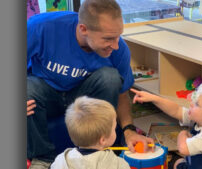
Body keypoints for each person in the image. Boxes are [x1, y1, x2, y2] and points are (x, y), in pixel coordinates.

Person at [27, 0, 153, 167]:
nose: (115, 45)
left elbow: (122, 93)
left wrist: (129, 130)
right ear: (83, 29)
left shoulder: (119, 49)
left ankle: (102, 149)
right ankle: (42, 159)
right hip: (44, 92)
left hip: (81, 99)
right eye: (108, 38)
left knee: (110, 78)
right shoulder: (40, 27)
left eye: (118, 36)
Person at [130, 82, 202, 169]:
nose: (191, 104)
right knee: (175, 162)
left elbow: (183, 148)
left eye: (196, 104)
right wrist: (153, 98)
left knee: (173, 161)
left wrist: (182, 134)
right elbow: (176, 110)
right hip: (194, 165)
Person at [50, 96, 130, 169]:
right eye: (114, 128)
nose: (115, 130)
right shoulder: (118, 164)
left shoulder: (60, 161)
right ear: (103, 140)